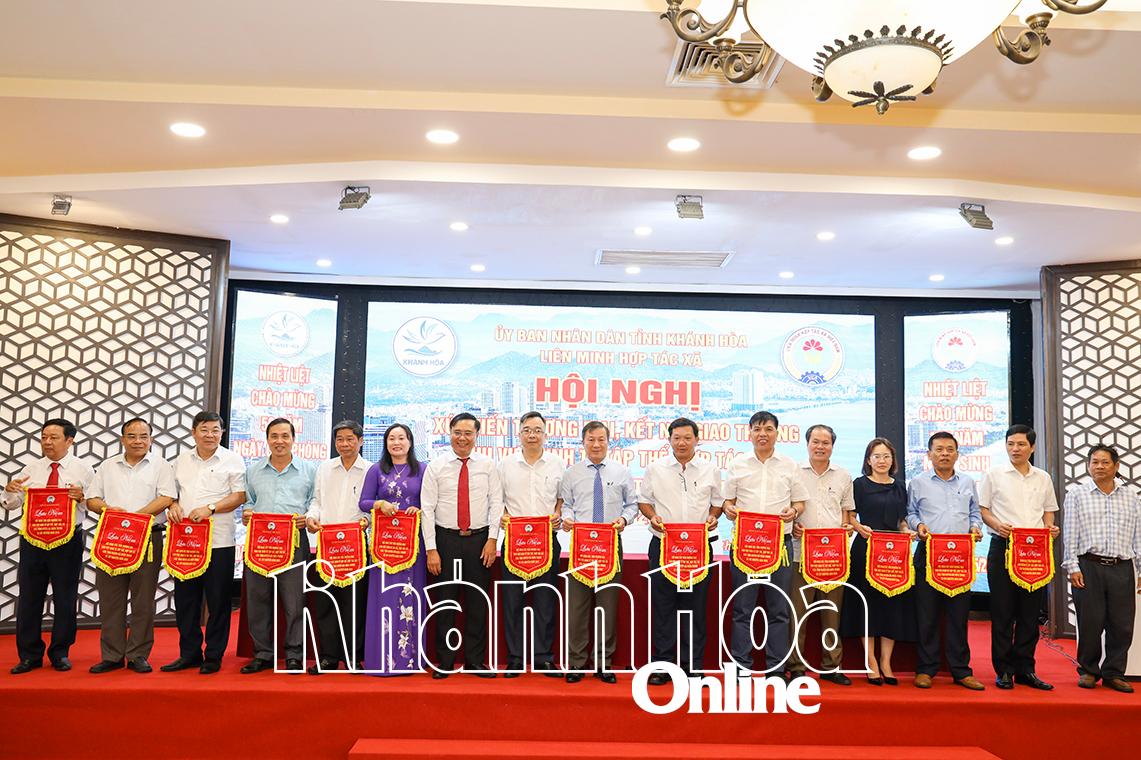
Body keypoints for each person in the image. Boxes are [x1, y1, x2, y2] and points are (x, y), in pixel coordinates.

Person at [85, 417, 177, 674]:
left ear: (151, 439)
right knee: (110, 599)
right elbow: (92, 499)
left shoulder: (161, 465)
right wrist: (108, 510)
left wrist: (137, 519)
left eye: (143, 436)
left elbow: (167, 497)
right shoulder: (107, 466)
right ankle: (112, 655)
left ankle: (138, 654)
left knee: (143, 600)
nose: (138, 441)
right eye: (132, 436)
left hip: (148, 537)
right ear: (122, 439)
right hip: (112, 538)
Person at [4, 418, 95, 674]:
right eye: (44, 437)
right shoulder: (31, 468)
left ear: (69, 440)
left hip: (67, 541)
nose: (47, 442)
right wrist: (10, 491)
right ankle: (29, 655)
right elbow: (11, 504)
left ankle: (60, 652)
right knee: (29, 597)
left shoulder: (84, 470)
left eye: (54, 437)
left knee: (65, 597)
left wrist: (82, 498)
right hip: (33, 540)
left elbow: (96, 502)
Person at [723, 411, 807, 679]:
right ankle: (741, 666)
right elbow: (726, 502)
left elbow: (800, 503)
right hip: (745, 544)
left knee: (779, 608)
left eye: (768, 429)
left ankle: (776, 668)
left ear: (777, 433)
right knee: (742, 608)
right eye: (757, 429)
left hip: (779, 544)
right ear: (749, 433)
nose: (763, 434)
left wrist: (793, 512)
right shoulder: (737, 464)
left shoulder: (789, 465)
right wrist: (729, 509)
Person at [162, 411, 247, 675]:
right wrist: (173, 506)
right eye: (204, 430)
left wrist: (211, 508)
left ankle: (213, 655)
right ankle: (189, 653)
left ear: (222, 433)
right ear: (193, 432)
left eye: (215, 430)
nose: (210, 435)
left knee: (218, 601)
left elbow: (239, 496)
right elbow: (171, 494)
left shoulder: (233, 460)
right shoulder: (181, 460)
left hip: (219, 541)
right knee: (186, 600)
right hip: (185, 542)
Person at [638, 417, 722, 682]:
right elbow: (644, 501)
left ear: (697, 440)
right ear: (669, 440)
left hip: (698, 548)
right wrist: (652, 516)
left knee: (696, 608)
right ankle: (662, 666)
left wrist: (713, 516)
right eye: (677, 438)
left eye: (687, 438)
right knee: (663, 607)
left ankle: (692, 665)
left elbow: (717, 503)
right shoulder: (655, 468)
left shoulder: (710, 469)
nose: (682, 443)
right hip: (664, 545)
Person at [421, 412, 504, 678]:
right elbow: (427, 509)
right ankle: (445, 662)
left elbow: (496, 504)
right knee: (446, 602)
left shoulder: (488, 465)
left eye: (468, 433)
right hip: (445, 540)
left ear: (477, 436)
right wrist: (431, 549)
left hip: (479, 541)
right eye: (458, 432)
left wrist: (493, 540)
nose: (462, 438)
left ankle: (475, 662)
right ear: (450, 433)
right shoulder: (436, 466)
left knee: (477, 603)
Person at [979, 424, 1059, 691]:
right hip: (1003, 546)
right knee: (1002, 611)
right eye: (1011, 444)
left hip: (1034, 551)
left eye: (1021, 444)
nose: (1015, 449)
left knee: (1029, 613)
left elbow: (1048, 511)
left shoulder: (1043, 478)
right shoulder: (994, 474)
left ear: (1032, 447)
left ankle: (1026, 669)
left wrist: (1050, 527)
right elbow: (983, 509)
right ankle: (1004, 670)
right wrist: (997, 524)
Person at [559, 420, 638, 684]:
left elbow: (632, 505)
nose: (596, 444)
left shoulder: (622, 472)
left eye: (601, 439)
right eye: (591, 439)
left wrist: (624, 520)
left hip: (610, 545)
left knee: (607, 606)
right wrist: (567, 519)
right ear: (583, 443)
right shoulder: (571, 473)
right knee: (577, 608)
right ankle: (576, 663)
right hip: (581, 546)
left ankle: (603, 663)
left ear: (608, 441)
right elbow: (566, 504)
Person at [907, 431, 985, 691]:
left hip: (959, 557)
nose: (944, 454)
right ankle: (926, 669)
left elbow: (975, 512)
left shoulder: (968, 481)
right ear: (929, 454)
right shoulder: (918, 482)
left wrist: (975, 527)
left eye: (949, 449)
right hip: (928, 554)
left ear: (957, 454)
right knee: (926, 615)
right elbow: (910, 513)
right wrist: (918, 525)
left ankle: (961, 670)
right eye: (939, 449)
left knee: (958, 616)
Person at [1062, 444, 1141, 693]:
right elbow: (1070, 533)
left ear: (1116, 466)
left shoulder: (1131, 497)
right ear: (1088, 466)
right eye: (1094, 462)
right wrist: (1072, 566)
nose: (1099, 467)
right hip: (1089, 566)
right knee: (1090, 622)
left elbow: (1138, 536)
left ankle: (1114, 673)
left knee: (1122, 625)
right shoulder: (1077, 494)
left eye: (1105, 462)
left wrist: (1140, 569)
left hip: (1121, 567)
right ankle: (1088, 671)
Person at [239, 418, 316, 674]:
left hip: (294, 541)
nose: (279, 441)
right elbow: (249, 501)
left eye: (285, 436)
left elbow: (315, 501)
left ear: (294, 439)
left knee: (294, 600)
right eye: (274, 436)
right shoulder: (253, 470)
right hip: (260, 542)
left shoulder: (308, 470)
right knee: (258, 599)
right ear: (267, 439)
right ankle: (262, 653)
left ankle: (294, 654)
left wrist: (309, 516)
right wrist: (248, 512)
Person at [843, 437, 916, 685]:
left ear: (892, 460)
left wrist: (906, 531)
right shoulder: (859, 485)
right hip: (866, 550)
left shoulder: (900, 486)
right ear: (868, 460)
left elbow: (902, 520)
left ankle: (886, 662)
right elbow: (850, 516)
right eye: (877, 456)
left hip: (894, 554)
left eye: (886, 456)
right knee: (868, 605)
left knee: (891, 606)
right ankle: (871, 661)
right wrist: (858, 527)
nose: (882, 461)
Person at [497, 411, 565, 677]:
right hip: (515, 542)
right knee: (512, 601)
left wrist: (558, 513)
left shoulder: (557, 464)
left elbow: (563, 498)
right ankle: (515, 658)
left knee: (545, 601)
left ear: (545, 434)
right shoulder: (505, 465)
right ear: (519, 434)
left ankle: (543, 657)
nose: (532, 435)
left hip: (546, 541)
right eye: (527, 430)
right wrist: (502, 516)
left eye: (537, 430)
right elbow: (496, 499)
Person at [788, 424, 854, 685]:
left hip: (832, 557)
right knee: (797, 614)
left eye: (825, 443)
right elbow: (789, 508)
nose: (820, 447)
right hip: (800, 554)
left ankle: (831, 666)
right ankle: (796, 666)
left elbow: (847, 511)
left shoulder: (843, 475)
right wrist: (793, 525)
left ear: (832, 446)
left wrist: (847, 526)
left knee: (831, 613)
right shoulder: (794, 472)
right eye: (815, 442)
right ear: (807, 444)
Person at [359, 423, 426, 675]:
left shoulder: (423, 469)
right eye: (391, 439)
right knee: (383, 597)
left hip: (412, 544)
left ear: (410, 442)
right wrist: (379, 504)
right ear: (386, 444)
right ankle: (380, 659)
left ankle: (410, 660)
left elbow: (431, 502)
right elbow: (364, 502)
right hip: (384, 545)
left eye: (401, 438)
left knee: (410, 597)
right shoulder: (376, 470)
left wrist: (419, 508)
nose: (396, 443)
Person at [305, 420, 372, 674]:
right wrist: (312, 517)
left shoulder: (370, 470)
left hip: (356, 547)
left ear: (360, 441)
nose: (344, 444)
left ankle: (353, 657)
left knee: (354, 603)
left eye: (350, 439)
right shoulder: (325, 468)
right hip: (327, 544)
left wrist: (367, 521)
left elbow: (372, 506)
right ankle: (328, 658)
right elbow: (317, 500)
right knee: (326, 602)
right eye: (340, 439)